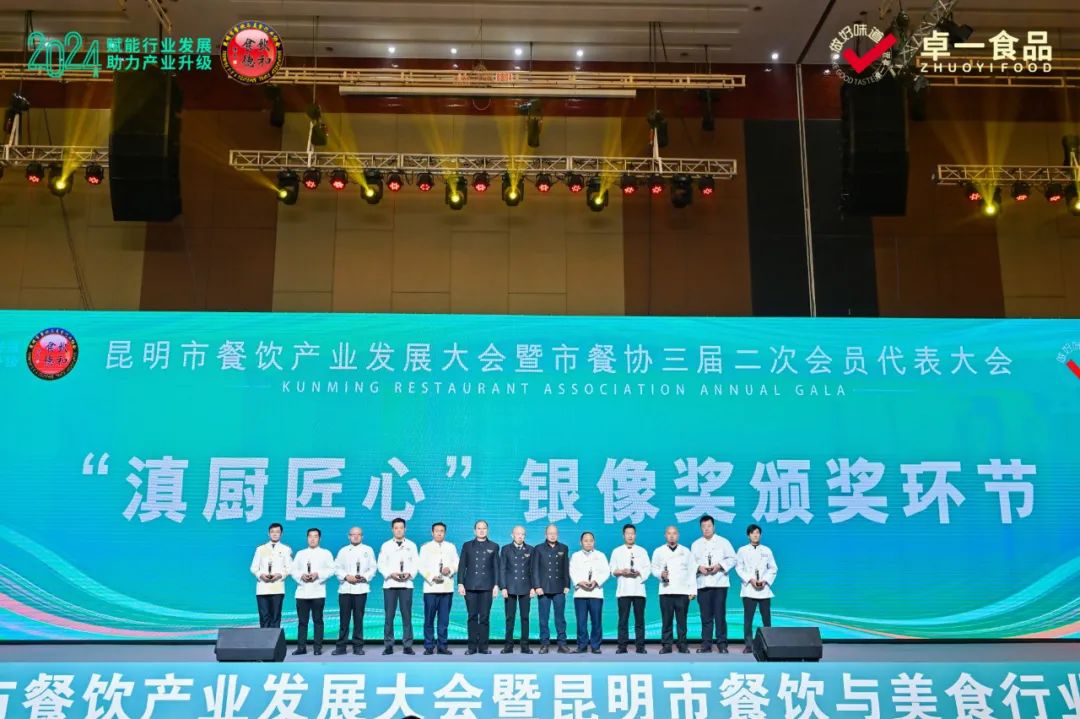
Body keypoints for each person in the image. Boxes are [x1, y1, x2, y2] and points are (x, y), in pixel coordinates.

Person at [691, 514, 737, 653]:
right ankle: (706, 644)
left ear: (714, 527)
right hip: (703, 584)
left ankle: (722, 644)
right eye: (703, 526)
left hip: (719, 584)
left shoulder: (723, 542)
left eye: (709, 526)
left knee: (720, 615)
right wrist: (699, 568)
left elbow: (733, 559)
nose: (706, 529)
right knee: (705, 616)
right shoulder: (695, 544)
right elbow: (690, 563)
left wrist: (720, 566)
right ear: (701, 528)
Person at [457, 519, 500, 655]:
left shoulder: (494, 546)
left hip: (487, 587)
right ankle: (471, 647)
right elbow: (462, 565)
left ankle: (483, 647)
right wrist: (460, 583)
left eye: (484, 528)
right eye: (479, 528)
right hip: (470, 586)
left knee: (485, 617)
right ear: (474, 530)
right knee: (472, 616)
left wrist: (496, 585)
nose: (481, 531)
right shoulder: (467, 545)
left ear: (487, 530)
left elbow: (496, 568)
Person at [377, 517, 419, 655]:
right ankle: (388, 645)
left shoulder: (412, 545)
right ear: (392, 529)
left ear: (405, 529)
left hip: (406, 585)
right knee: (389, 616)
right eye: (396, 528)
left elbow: (416, 564)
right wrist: (390, 574)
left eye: (401, 528)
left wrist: (409, 574)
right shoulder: (386, 545)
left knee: (407, 616)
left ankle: (407, 645)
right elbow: (380, 564)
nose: (399, 530)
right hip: (390, 585)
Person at [290, 527, 335, 655]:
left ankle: (317, 648)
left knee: (318, 620)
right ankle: (301, 647)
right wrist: (301, 576)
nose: (312, 539)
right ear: (307, 538)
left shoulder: (326, 553)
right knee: (302, 622)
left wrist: (318, 574)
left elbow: (332, 570)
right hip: (302, 592)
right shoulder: (300, 553)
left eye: (315, 536)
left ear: (319, 538)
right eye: (310, 536)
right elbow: (293, 570)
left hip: (318, 591)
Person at [651, 524, 696, 654]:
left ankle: (682, 644)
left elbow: (691, 571)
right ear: (665, 535)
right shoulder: (658, 551)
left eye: (674, 533)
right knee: (666, 621)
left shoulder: (686, 551)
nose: (672, 536)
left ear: (678, 535)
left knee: (682, 621)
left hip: (682, 592)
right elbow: (653, 568)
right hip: (666, 591)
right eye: (669, 533)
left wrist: (692, 590)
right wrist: (660, 574)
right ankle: (667, 645)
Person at [332, 526, 376, 656]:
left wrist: (364, 577)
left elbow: (373, 568)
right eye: (353, 534)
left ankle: (358, 646)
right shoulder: (343, 551)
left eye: (358, 534)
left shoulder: (368, 550)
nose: (356, 536)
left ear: (362, 536)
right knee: (344, 620)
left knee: (358, 619)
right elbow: (337, 568)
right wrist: (346, 576)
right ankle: (341, 647)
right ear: (349, 536)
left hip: (361, 589)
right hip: (345, 589)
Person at [608, 523, 650, 654]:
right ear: (623, 535)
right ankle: (622, 646)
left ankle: (640, 646)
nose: (630, 536)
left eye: (632, 533)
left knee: (640, 620)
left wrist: (639, 572)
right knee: (623, 620)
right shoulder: (616, 551)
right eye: (628, 533)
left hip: (639, 590)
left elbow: (648, 569)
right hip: (623, 590)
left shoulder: (642, 551)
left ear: (635, 535)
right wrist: (622, 571)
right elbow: (612, 570)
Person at [736, 523, 778, 653]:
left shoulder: (767, 550)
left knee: (766, 619)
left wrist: (765, 580)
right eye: (753, 533)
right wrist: (750, 579)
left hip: (764, 590)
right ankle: (749, 645)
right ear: (748, 535)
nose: (755, 535)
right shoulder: (742, 550)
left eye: (758, 533)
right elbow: (739, 568)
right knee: (748, 619)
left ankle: (769, 644)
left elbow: (773, 568)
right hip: (749, 589)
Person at [419, 521, 459, 655]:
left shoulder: (451, 547)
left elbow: (457, 564)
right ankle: (429, 646)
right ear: (432, 533)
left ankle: (442, 646)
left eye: (442, 531)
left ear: (445, 533)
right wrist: (432, 577)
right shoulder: (425, 547)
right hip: (431, 589)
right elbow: (421, 567)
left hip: (446, 589)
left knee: (444, 620)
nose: (439, 533)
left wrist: (450, 569)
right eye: (437, 531)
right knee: (429, 619)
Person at [532, 523, 571, 654]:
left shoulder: (564, 548)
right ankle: (544, 644)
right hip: (543, 588)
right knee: (543, 618)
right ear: (545, 534)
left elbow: (566, 567)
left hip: (559, 588)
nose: (552, 535)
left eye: (554, 533)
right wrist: (537, 586)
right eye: (550, 533)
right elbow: (535, 569)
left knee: (560, 618)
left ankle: (562, 644)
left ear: (557, 534)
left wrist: (567, 584)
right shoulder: (538, 548)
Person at [569, 531, 609, 654]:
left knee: (596, 621)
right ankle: (582, 645)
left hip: (596, 593)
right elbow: (572, 571)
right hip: (580, 593)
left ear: (594, 542)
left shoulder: (601, 555)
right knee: (581, 621)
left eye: (591, 540)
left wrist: (596, 582)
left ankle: (596, 646)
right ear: (580, 542)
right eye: (585, 540)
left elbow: (606, 571)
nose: (588, 543)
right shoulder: (575, 556)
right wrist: (579, 582)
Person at [499, 525, 535, 654]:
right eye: (518, 534)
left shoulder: (530, 549)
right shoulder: (505, 549)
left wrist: (533, 587)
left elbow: (533, 570)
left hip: (526, 587)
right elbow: (502, 569)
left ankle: (525, 646)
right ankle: (508, 646)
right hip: (510, 588)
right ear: (512, 535)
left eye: (523, 534)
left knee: (525, 618)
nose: (520, 536)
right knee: (510, 618)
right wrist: (503, 587)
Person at [250, 522, 292, 629]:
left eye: (277, 532)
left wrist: (280, 575)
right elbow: (253, 568)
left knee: (275, 617)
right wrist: (261, 575)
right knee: (264, 617)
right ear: (268, 533)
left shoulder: (286, 549)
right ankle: (264, 640)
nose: (275, 534)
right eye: (272, 532)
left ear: (281, 534)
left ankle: (275, 640)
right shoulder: (260, 549)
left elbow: (289, 568)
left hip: (277, 588)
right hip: (262, 588)